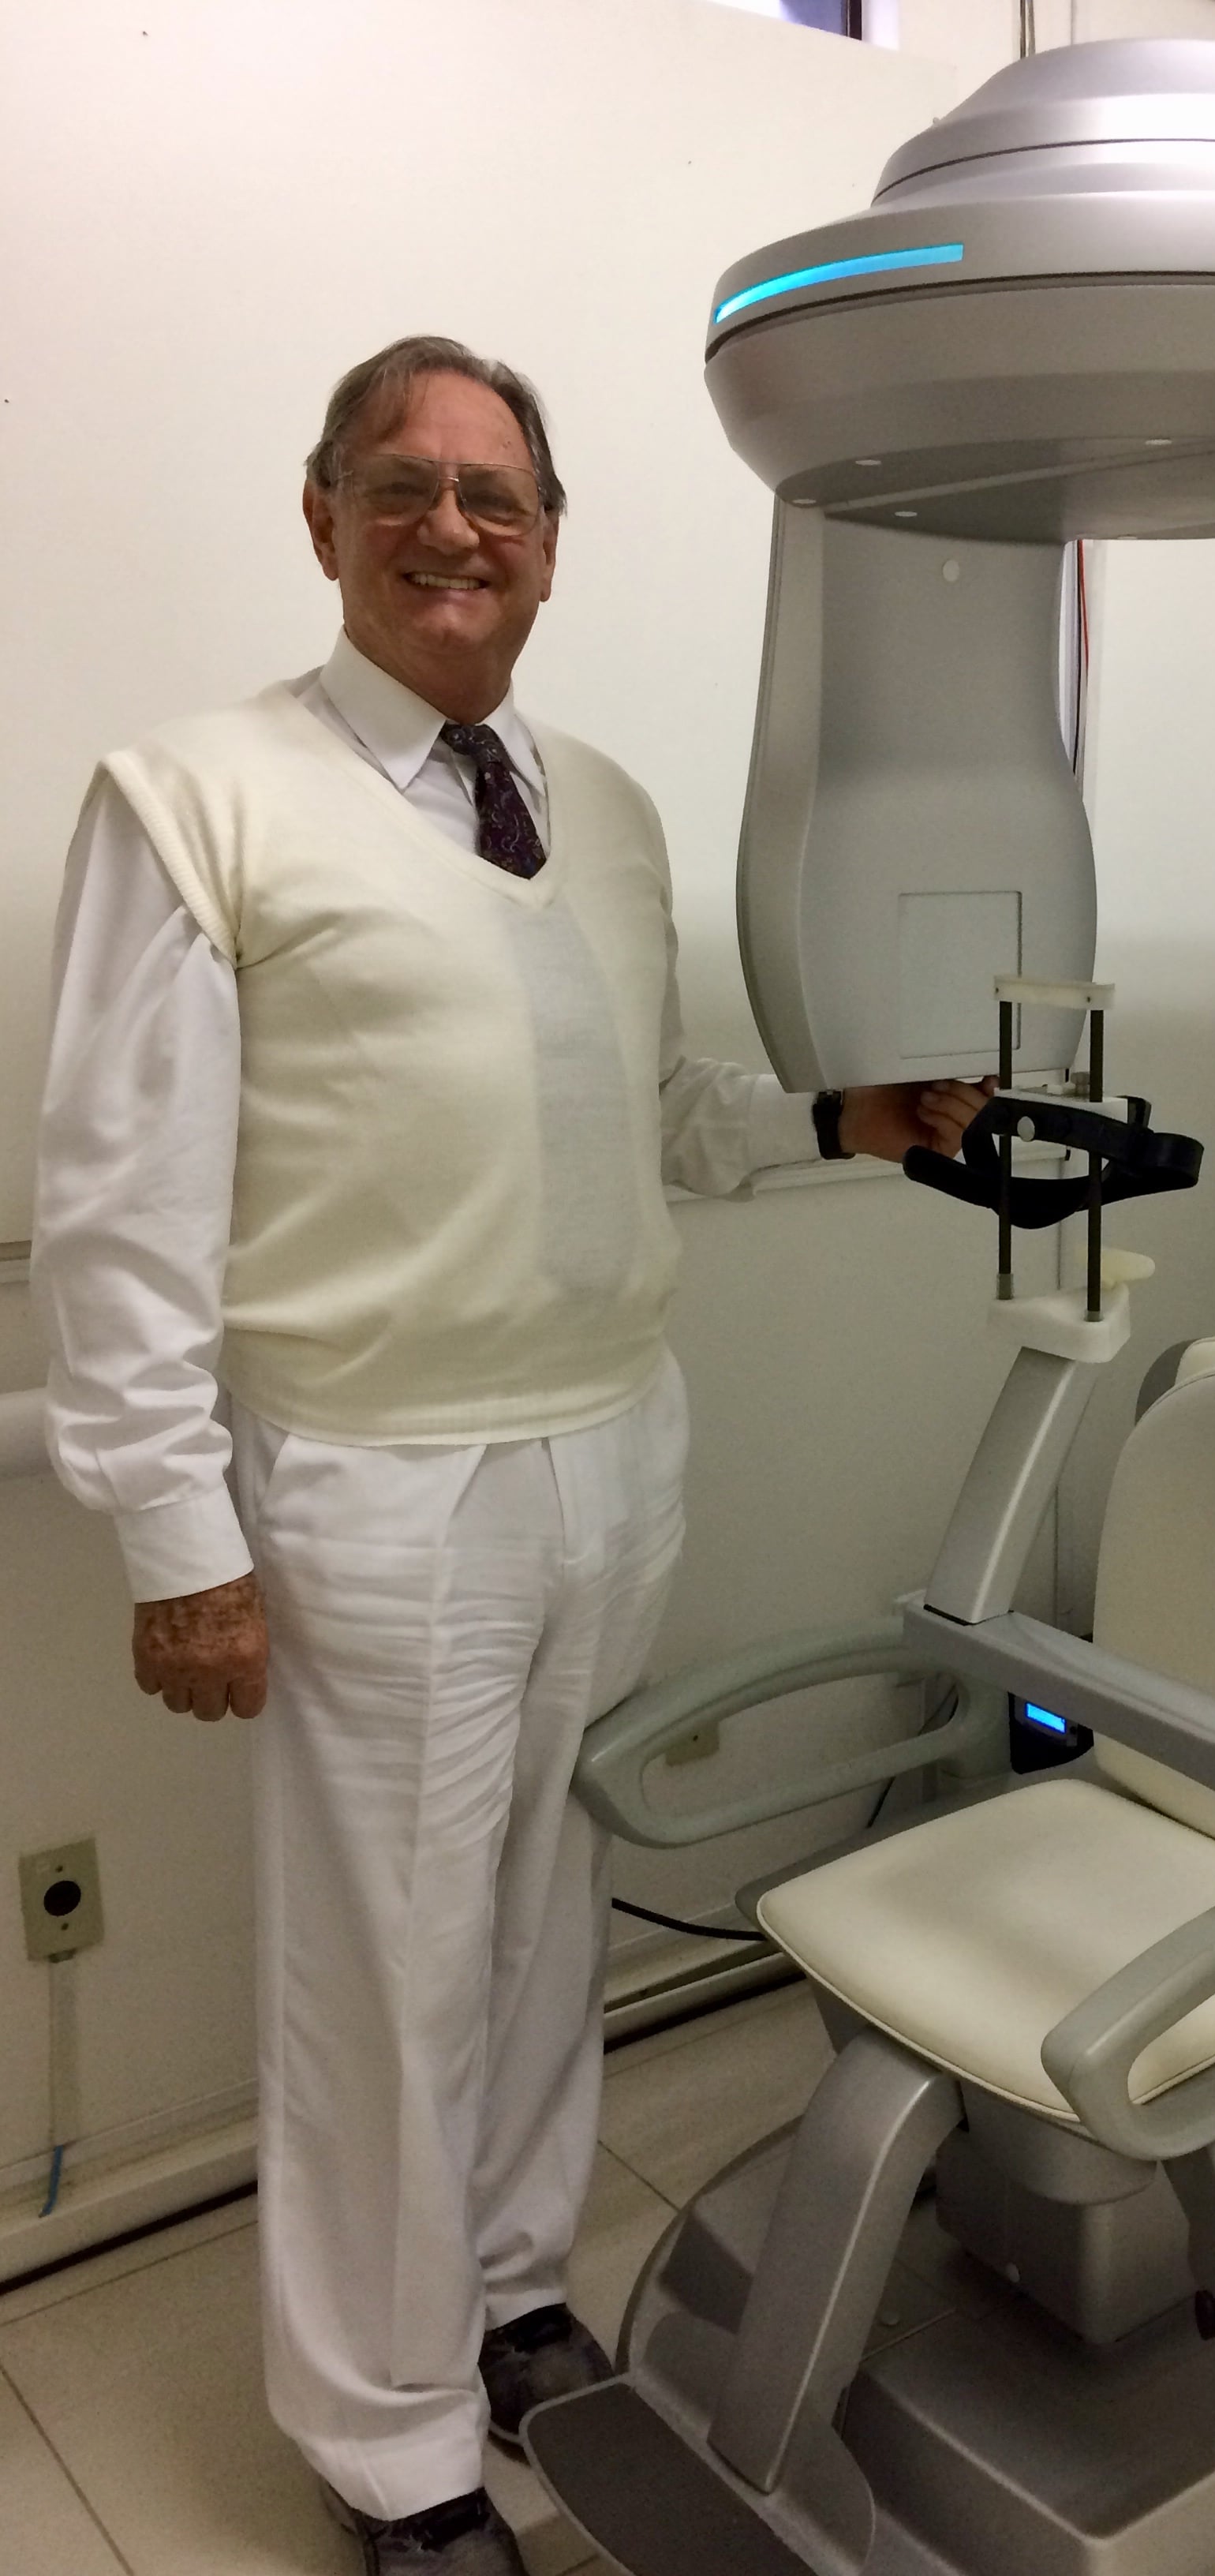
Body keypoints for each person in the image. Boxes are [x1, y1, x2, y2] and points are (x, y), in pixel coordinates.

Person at [32, 335, 987, 2576]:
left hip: (608, 1454)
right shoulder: (198, 800)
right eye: (404, 485)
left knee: (551, 1915)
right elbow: (118, 1209)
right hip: (376, 1483)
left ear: (553, 546)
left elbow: (646, 1111)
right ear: (325, 520)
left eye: (499, 495)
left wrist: (840, 1118)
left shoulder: (607, 813)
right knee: (385, 1974)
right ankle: (392, 2447)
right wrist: (176, 1537)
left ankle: (508, 2288)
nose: (453, 526)